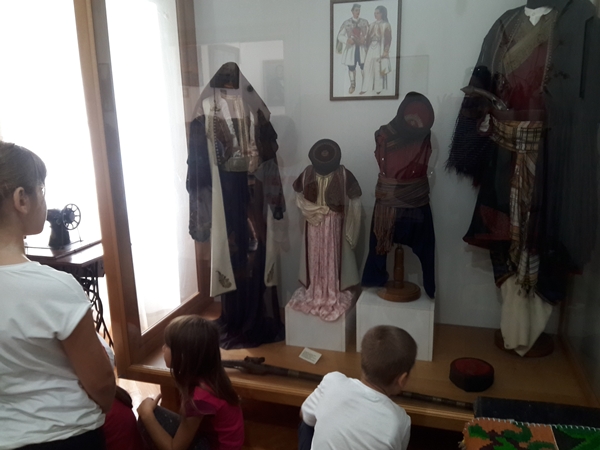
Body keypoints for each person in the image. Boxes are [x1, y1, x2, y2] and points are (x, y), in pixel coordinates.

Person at [446, 0, 600, 355]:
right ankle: (513, 325)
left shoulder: (579, 20)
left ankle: (531, 326)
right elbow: (482, 82)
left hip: (552, 160)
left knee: (546, 238)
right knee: (504, 236)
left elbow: (587, 98)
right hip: (504, 154)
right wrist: (475, 129)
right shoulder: (506, 22)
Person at [0, 141, 116, 449]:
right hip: (65, 437)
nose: (44, 199)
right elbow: (102, 385)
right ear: (21, 199)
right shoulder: (55, 289)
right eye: (41, 189)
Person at [187, 62, 285, 349]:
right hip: (225, 192)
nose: (231, 82)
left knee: (258, 251)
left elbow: (269, 159)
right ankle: (235, 316)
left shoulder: (253, 108)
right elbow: (199, 167)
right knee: (232, 252)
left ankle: (256, 315)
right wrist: (202, 215)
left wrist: (276, 199)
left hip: (254, 191)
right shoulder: (207, 108)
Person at [362, 92, 436, 299]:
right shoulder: (383, 134)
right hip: (389, 202)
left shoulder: (425, 134)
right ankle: (374, 280)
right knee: (378, 246)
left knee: (426, 249)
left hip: (416, 201)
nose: (414, 122)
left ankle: (429, 286)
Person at [299, 325, 416, 450]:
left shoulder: (333, 381)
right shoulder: (400, 420)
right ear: (402, 380)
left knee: (306, 424)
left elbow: (304, 414)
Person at [137, 315, 244, 450]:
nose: (163, 348)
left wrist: (146, 415)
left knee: (150, 419)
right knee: (156, 417)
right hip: (212, 439)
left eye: (167, 345)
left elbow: (174, 448)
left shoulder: (200, 397)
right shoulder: (211, 376)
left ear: (183, 356)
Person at [288, 139, 362, 321]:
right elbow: (297, 195)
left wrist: (352, 229)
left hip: (334, 226)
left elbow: (355, 201)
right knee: (314, 258)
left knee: (333, 257)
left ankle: (332, 288)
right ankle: (316, 288)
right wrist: (310, 210)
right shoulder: (307, 173)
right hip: (313, 224)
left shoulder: (343, 174)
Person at [336, 3, 369, 94]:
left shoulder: (364, 22)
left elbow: (369, 33)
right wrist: (347, 40)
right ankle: (352, 85)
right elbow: (340, 36)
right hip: (351, 49)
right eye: (356, 10)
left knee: (364, 66)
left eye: (359, 10)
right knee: (351, 67)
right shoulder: (347, 23)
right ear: (352, 11)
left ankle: (365, 85)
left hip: (361, 48)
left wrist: (364, 38)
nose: (357, 12)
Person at [360, 6, 392, 95]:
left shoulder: (386, 25)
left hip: (379, 47)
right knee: (367, 66)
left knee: (378, 67)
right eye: (375, 13)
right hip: (371, 47)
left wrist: (386, 51)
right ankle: (364, 88)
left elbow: (388, 39)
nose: (375, 14)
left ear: (382, 14)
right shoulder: (371, 25)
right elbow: (367, 38)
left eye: (377, 13)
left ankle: (378, 89)